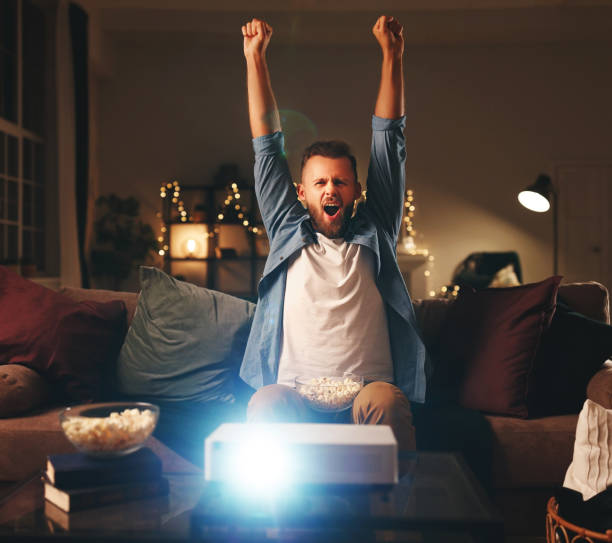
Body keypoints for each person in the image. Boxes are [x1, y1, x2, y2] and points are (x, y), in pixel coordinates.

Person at [238, 15, 427, 451]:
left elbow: (389, 141)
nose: (331, 190)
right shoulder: (287, 228)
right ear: (302, 193)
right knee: (263, 405)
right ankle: (279, 518)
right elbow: (267, 148)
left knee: (388, 402)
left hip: (366, 392)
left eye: (340, 182)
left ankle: (391, 514)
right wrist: (255, 60)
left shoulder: (376, 228)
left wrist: (392, 56)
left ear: (356, 191)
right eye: (320, 183)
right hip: (294, 394)